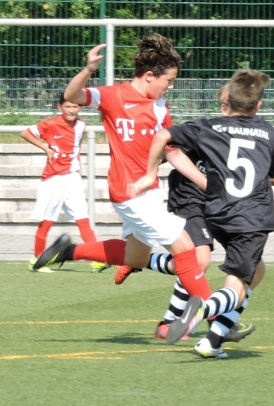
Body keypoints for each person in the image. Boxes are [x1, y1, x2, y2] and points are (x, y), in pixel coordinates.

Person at [31, 35, 215, 308]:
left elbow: (172, 151)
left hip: (149, 192)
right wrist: (88, 69)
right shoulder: (113, 96)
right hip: (129, 192)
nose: (170, 86)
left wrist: (207, 184)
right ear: (150, 76)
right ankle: (216, 317)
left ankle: (68, 251)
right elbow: (72, 96)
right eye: (169, 80)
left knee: (135, 258)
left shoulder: (160, 107)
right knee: (186, 248)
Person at [133, 69, 274, 357]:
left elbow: (164, 137)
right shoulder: (267, 131)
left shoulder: (208, 128)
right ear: (258, 105)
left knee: (257, 270)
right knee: (236, 284)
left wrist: (149, 173)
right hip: (251, 217)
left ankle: (213, 342)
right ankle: (204, 309)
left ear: (229, 102)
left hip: (217, 211)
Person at [117, 84, 260, 343]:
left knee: (255, 267)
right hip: (189, 197)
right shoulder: (205, 131)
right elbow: (166, 147)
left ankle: (138, 260)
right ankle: (171, 322)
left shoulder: (254, 135)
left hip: (219, 203)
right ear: (225, 108)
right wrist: (146, 172)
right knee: (199, 259)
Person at [20, 94, 101, 271]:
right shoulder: (50, 124)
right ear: (60, 107)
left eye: (75, 107)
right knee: (47, 221)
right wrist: (45, 148)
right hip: (53, 179)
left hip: (72, 178)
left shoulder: (81, 126)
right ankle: (37, 260)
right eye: (68, 107)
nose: (71, 110)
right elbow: (25, 133)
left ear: (80, 108)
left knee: (83, 219)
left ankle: (98, 259)